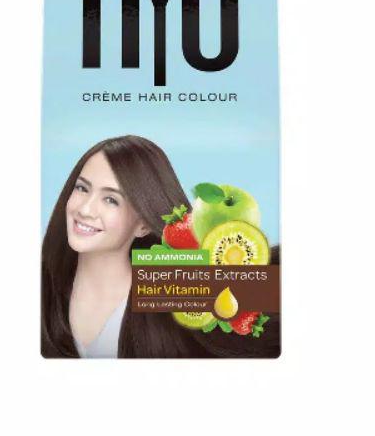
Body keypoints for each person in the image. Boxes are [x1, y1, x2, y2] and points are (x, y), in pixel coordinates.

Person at [41, 134, 280, 358]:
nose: (85, 209)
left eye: (111, 200)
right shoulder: (42, 284)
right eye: (82, 188)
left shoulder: (166, 285)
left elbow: (264, 296)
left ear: (143, 225)